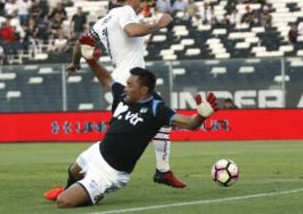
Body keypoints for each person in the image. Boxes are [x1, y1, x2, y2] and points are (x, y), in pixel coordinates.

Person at [45, 53, 219, 208]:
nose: (125, 87)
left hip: (110, 172)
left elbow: (189, 123)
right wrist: (90, 60)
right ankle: (70, 187)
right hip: (97, 151)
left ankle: (94, 193)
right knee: (74, 170)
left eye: (130, 84)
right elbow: (106, 79)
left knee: (64, 202)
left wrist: (201, 116)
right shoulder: (123, 95)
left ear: (143, 90)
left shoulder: (156, 109)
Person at [66, 0, 186, 188]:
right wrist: (159, 24)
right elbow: (131, 31)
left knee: (145, 124)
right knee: (150, 120)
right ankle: (158, 171)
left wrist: (75, 62)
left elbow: (80, 42)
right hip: (132, 84)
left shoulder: (104, 20)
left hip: (120, 81)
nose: (140, 3)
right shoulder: (125, 11)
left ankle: (162, 170)